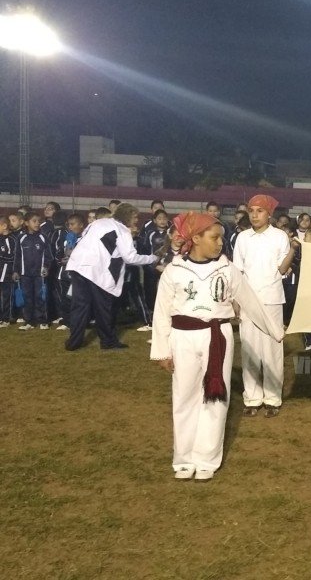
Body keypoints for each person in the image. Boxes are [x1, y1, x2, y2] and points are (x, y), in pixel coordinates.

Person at [150, 212, 284, 481]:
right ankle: (184, 458)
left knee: (216, 398)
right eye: (214, 237)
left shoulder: (227, 269)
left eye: (221, 237)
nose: (220, 242)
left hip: (217, 336)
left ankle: (207, 458)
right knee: (184, 396)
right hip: (183, 336)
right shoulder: (175, 271)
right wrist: (161, 351)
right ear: (195, 238)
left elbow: (250, 302)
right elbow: (161, 313)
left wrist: (275, 331)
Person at [233, 194, 296, 418]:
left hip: (271, 299)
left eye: (259, 211)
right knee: (249, 350)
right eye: (251, 210)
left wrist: (293, 250)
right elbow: (237, 272)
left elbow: (281, 269)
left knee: (271, 351)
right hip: (248, 300)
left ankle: (272, 398)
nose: (254, 215)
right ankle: (252, 398)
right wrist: (236, 299)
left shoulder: (279, 237)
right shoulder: (242, 239)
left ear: (269, 214)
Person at [64, 203, 159, 351]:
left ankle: (73, 342)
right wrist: (152, 258)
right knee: (104, 308)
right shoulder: (122, 231)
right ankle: (108, 341)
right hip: (96, 271)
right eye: (135, 217)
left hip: (77, 265)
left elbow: (86, 239)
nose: (136, 221)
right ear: (127, 216)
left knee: (79, 307)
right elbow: (130, 258)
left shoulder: (98, 222)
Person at [13, 212, 52, 330]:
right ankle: (28, 321)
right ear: (26, 223)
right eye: (34, 221)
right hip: (25, 275)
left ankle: (43, 320)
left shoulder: (43, 237)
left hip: (40, 274)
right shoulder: (21, 238)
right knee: (27, 297)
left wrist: (46, 267)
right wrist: (15, 271)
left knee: (41, 297)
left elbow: (49, 255)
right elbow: (17, 256)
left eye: (38, 221)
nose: (37, 223)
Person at [0, 215, 16, 327]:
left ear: (4, 226)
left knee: (7, 294)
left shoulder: (11, 239)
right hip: (1, 270)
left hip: (7, 271)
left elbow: (12, 256)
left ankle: (7, 317)